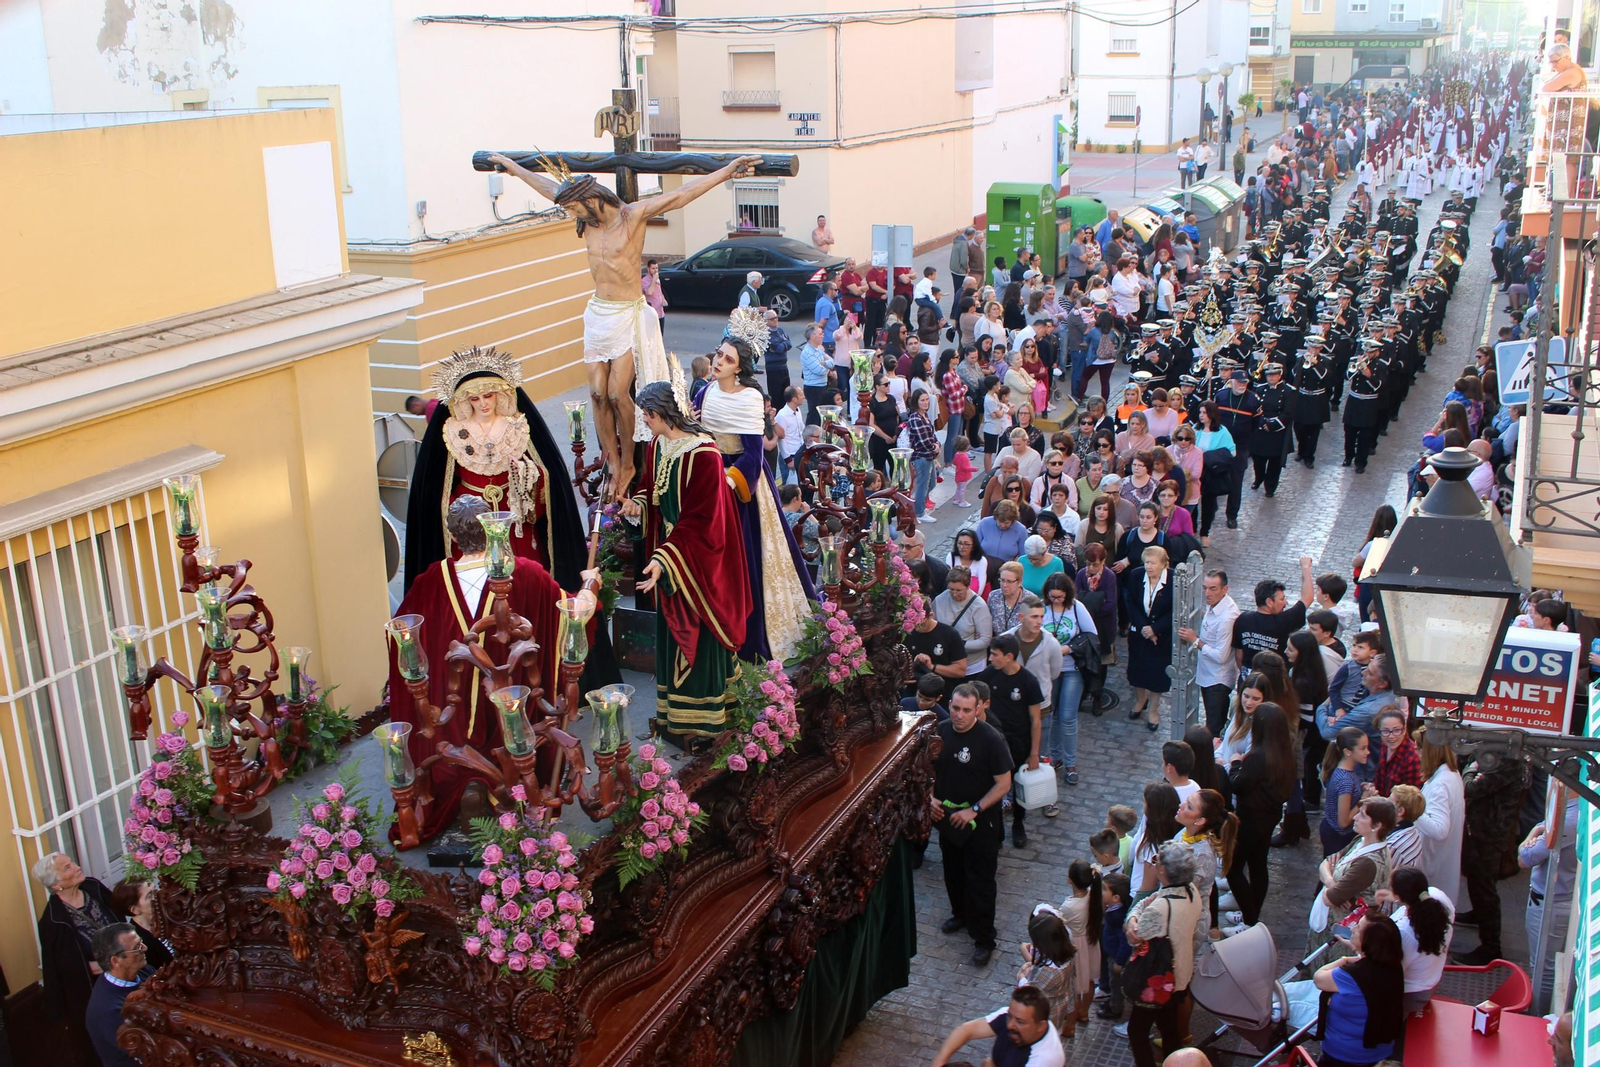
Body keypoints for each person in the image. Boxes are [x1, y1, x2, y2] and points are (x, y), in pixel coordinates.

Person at [488, 151, 755, 497]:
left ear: (592, 200)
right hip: (597, 313)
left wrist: (726, 172)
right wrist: (512, 169)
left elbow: (680, 195)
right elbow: (549, 187)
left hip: (627, 313)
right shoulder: (589, 223)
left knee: (618, 394)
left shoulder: (632, 217)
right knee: (597, 393)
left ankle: (628, 462)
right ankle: (611, 458)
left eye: (575, 209)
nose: (572, 216)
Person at [623, 383, 755, 740]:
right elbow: (651, 488)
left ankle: (705, 723)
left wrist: (666, 559)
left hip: (698, 562)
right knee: (671, 631)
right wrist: (637, 503)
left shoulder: (704, 455)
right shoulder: (657, 446)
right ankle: (672, 719)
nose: (645, 423)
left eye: (647, 416)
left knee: (698, 634)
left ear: (660, 414)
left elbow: (703, 520)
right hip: (670, 557)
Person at [697, 315, 819, 660]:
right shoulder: (705, 391)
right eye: (719, 355)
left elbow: (752, 454)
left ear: (739, 369)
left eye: (728, 359)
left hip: (741, 485)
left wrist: (726, 481)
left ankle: (754, 635)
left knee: (750, 556)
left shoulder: (749, 397)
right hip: (710, 473)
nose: (719, 362)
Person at [931, 683, 1015, 968]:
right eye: (955, 708)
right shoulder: (940, 731)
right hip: (947, 819)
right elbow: (927, 770)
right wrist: (928, 798)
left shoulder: (991, 739)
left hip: (981, 824)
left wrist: (974, 810)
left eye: (967, 710)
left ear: (979, 709)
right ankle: (960, 914)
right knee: (952, 871)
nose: (959, 715)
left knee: (980, 881)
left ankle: (984, 939)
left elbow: (1004, 783)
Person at [35, 851, 119, 1065]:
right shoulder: (54, 921)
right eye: (67, 867)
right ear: (56, 885)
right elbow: (67, 969)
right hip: (101, 992)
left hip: (133, 970)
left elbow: (120, 911)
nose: (76, 866)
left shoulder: (93, 887)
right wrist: (110, 964)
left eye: (71, 862)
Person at [1124, 842, 1204, 1067]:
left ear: (1162, 871)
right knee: (1168, 1026)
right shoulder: (1191, 891)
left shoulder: (1161, 908)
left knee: (1137, 1031)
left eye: (1157, 861)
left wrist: (1132, 917)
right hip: (1181, 974)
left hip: (1158, 980)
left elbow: (1135, 934)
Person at [1453, 749, 1530, 965]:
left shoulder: (1508, 760)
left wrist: (1470, 769)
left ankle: (1490, 948)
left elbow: (1470, 788)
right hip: (1482, 829)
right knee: (1478, 884)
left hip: (1488, 834)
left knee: (1484, 887)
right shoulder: (1505, 755)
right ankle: (1478, 914)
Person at [1224, 702, 1296, 931]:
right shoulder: (1285, 754)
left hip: (1250, 818)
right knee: (1258, 865)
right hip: (1269, 816)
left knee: (1233, 868)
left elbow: (1238, 785)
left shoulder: (1258, 757)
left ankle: (1250, 918)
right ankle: (1250, 915)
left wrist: (1235, 764)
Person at [1311, 913, 1405, 1067]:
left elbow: (1319, 978)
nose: (1353, 928)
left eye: (1359, 927)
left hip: (1343, 1055)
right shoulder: (1394, 967)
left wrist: (1344, 960)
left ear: (1369, 941)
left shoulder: (1351, 975)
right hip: (1380, 1052)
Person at [1310, 797, 1397, 959]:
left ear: (1377, 826)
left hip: (1340, 937)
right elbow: (1325, 863)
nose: (1355, 817)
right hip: (1330, 927)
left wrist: (1330, 887)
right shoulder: (1360, 840)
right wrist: (1332, 883)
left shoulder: (1368, 862)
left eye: (1363, 815)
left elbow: (1330, 898)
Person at [982, 634, 1046, 848]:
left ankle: (1018, 823)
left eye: (994, 655)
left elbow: (1036, 720)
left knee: (1018, 785)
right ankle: (996, 828)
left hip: (1019, 741)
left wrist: (1034, 753)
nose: (990, 658)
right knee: (994, 784)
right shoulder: (990, 675)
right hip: (995, 741)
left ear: (1009, 656)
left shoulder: (1028, 681)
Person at [1518, 788, 1580, 1010]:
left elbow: (1525, 858)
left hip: (1551, 903)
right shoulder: (1565, 808)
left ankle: (1536, 1020)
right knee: (1541, 966)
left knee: (1543, 970)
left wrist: (1534, 832)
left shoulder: (1570, 818)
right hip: (1547, 898)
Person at [1041, 574, 1097, 786]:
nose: (1056, 600)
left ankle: (1071, 763)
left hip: (1072, 668)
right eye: (1052, 596)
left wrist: (1069, 648)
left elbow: (1092, 635)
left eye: (1060, 596)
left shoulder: (1076, 608)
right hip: (1049, 671)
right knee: (1052, 714)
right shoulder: (1042, 608)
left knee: (1067, 716)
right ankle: (1055, 757)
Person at [1377, 865, 1455, 1014]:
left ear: (1399, 897)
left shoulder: (1403, 932)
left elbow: (1391, 970)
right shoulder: (1438, 897)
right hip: (1430, 981)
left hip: (1409, 995)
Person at [932, 984, 1065, 1067]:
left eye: (1020, 1022)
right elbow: (966, 1030)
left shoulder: (1043, 1060)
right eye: (1010, 1016)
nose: (1010, 1025)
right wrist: (939, 1062)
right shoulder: (1013, 1016)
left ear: (1040, 1026)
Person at [1181, 569, 1240, 737]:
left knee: (1214, 727)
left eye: (1213, 588)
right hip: (1207, 675)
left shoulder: (1227, 617)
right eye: (1205, 588)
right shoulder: (1215, 604)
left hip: (1217, 681)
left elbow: (1221, 656)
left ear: (1225, 589)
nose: (1207, 593)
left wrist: (1195, 640)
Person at [1232, 557, 1314, 673]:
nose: (1286, 603)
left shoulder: (1243, 619)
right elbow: (1308, 597)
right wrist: (1305, 568)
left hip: (1248, 680)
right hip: (1276, 683)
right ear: (1270, 602)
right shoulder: (1285, 621)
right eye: (1282, 599)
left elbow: (1239, 655)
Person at [1413, 730, 1465, 907]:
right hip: (1440, 864)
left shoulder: (1440, 784)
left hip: (1433, 866)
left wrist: (1412, 809)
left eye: (1419, 749)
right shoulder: (1451, 774)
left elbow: (1439, 830)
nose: (1417, 754)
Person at [1126, 545, 1175, 733]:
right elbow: (1130, 602)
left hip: (1161, 636)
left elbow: (1174, 610)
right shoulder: (1136, 576)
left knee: (1157, 675)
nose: (1149, 566)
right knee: (1137, 670)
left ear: (1163, 564)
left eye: (1153, 563)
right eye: (1146, 562)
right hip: (1139, 632)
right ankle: (1140, 700)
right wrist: (1144, 628)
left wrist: (1155, 629)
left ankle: (1153, 709)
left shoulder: (1173, 580)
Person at [85, 923, 146, 1067]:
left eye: (141, 942)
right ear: (116, 960)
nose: (145, 948)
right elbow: (144, 1052)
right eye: (137, 947)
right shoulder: (108, 1011)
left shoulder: (142, 971)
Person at [1320, 726, 1371, 857]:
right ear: (1348, 751)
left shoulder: (1342, 771)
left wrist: (1360, 790)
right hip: (1338, 838)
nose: (1368, 752)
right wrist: (1363, 799)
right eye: (1363, 748)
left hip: (1332, 831)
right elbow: (1343, 822)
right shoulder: (1345, 781)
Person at [109, 879, 175, 969]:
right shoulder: (139, 943)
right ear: (135, 910)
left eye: (155, 890)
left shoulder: (168, 917)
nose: (157, 896)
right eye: (149, 895)